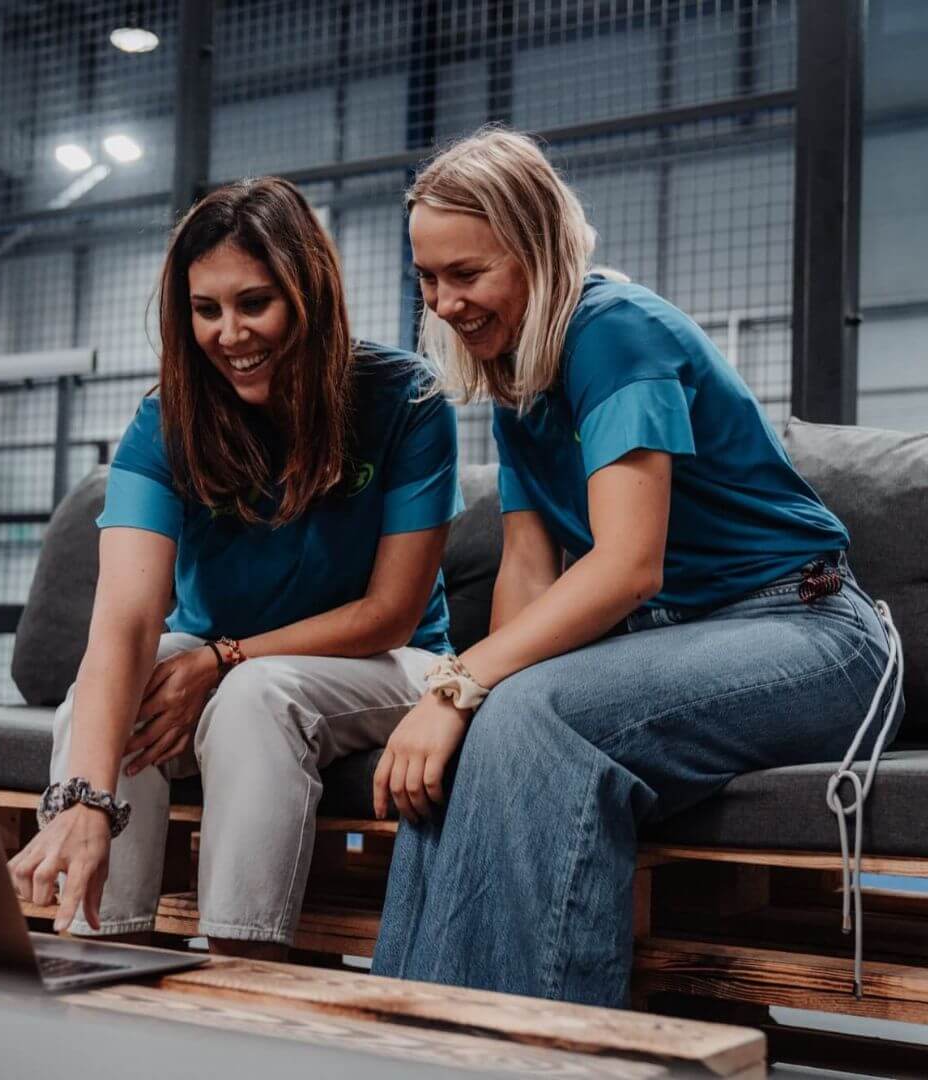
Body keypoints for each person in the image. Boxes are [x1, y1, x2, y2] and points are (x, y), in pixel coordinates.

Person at [370, 128, 903, 1005]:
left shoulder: (614, 332)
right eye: (427, 280)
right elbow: (530, 571)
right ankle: (417, 1033)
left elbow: (625, 568)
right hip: (694, 642)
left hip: (810, 634)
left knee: (520, 712)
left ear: (538, 249)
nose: (445, 303)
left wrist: (455, 686)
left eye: (467, 274)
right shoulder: (517, 373)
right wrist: (472, 702)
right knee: (487, 724)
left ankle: (530, 1054)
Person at [8, 177, 462, 958]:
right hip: (216, 674)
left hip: (388, 666)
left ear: (308, 292)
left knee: (258, 693)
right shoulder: (164, 422)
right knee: (120, 687)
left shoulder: (405, 398)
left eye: (255, 303)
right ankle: (99, 956)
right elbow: (123, 621)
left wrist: (224, 658)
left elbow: (388, 611)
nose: (230, 333)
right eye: (206, 309)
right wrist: (82, 799)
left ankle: (243, 967)